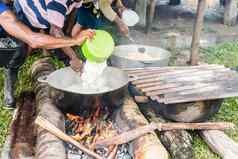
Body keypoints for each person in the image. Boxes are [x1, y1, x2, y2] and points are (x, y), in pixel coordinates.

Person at [0, 1, 94, 109]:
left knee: (59, 46)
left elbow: (58, 28)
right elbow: (34, 40)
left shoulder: (77, 1)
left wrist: (72, 53)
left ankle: (75, 85)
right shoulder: (58, 3)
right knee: (18, 53)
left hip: (43, 16)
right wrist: (74, 43)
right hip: (26, 15)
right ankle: (8, 96)